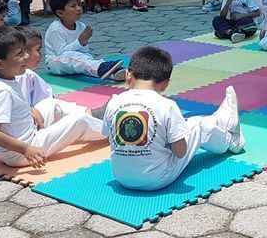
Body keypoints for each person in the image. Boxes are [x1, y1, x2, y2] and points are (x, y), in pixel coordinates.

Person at [101, 47, 245, 190]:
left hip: (121, 177)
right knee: (198, 126)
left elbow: (110, 136)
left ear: (127, 75)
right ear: (165, 85)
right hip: (157, 178)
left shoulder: (114, 102)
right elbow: (180, 152)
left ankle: (221, 120)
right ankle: (231, 140)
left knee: (181, 126)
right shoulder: (167, 106)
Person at [0, 26, 105, 167]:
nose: (26, 56)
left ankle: (92, 114)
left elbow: (12, 111)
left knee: (48, 104)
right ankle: (114, 129)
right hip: (24, 151)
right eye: (19, 53)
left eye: (25, 51)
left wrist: (30, 111)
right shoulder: (2, 91)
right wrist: (26, 150)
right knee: (78, 121)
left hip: (27, 134)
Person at [43, 0, 125, 81]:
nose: (79, 8)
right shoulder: (55, 28)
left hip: (75, 60)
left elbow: (84, 51)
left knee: (86, 62)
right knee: (74, 57)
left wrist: (84, 43)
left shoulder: (81, 26)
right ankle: (102, 67)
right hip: (56, 63)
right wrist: (79, 42)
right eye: (73, 6)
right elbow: (61, 53)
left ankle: (113, 74)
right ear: (60, 13)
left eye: (79, 4)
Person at [15, 26, 54, 107]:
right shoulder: (24, 75)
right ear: (24, 52)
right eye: (38, 50)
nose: (41, 55)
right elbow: (24, 108)